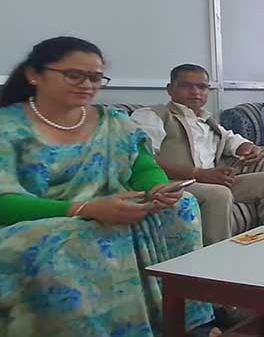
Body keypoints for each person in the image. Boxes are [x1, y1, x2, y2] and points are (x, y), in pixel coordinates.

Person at [0, 37, 214, 336]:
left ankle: (186, 322)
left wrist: (156, 189)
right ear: (35, 74)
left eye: (96, 77)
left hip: (114, 208)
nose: (87, 85)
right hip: (41, 221)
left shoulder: (113, 121)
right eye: (74, 75)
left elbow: (144, 167)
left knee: (183, 205)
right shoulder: (8, 125)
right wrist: (86, 209)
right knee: (61, 239)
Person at [132, 64, 264, 245]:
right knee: (219, 194)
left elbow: (233, 141)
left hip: (212, 181)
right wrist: (199, 174)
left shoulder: (207, 121)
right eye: (186, 86)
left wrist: (249, 148)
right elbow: (141, 158)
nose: (195, 92)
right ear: (170, 89)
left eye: (202, 87)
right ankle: (218, 258)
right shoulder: (153, 115)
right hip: (177, 184)